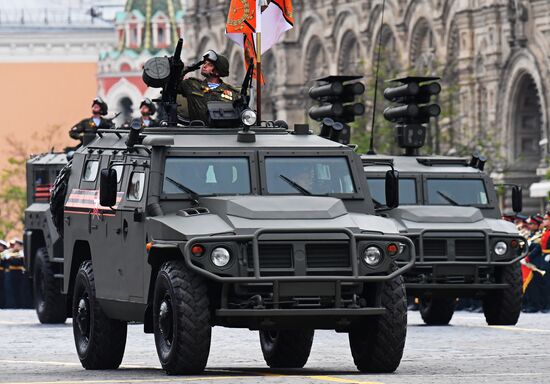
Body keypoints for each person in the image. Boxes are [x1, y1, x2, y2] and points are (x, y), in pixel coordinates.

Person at [177, 50, 238, 123]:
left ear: (217, 71)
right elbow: (172, 85)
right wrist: (185, 70)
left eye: (210, 65)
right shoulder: (192, 85)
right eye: (205, 63)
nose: (204, 66)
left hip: (222, 133)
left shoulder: (232, 93)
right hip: (197, 131)